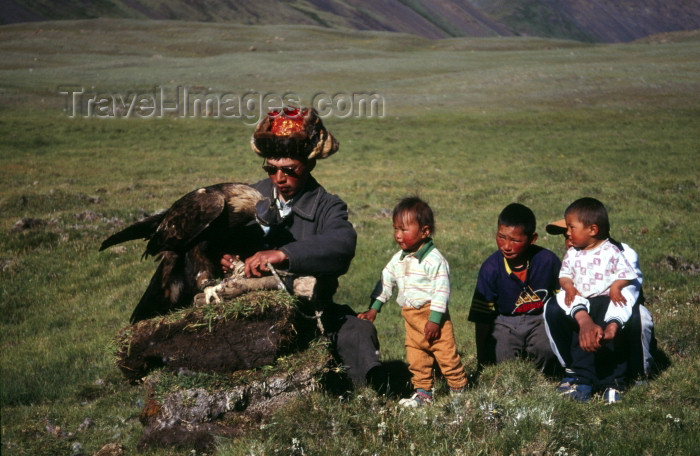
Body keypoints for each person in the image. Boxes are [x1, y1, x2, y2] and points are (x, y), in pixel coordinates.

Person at [220, 107, 381, 387]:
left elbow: (342, 243)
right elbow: (221, 238)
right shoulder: (249, 196)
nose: (279, 179)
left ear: (308, 165)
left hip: (310, 312)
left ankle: (367, 393)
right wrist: (223, 258)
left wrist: (285, 254)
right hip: (248, 310)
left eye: (289, 170)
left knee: (357, 332)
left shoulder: (328, 205)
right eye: (271, 169)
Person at [358, 197, 467, 406]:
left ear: (425, 231)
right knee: (417, 358)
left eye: (404, 229)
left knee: (446, 356)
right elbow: (385, 280)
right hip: (411, 318)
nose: (398, 235)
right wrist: (374, 309)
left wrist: (435, 320)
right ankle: (423, 393)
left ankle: (458, 390)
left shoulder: (434, 260)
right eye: (395, 229)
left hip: (433, 317)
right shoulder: (399, 259)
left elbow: (441, 291)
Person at [544, 198, 655, 403]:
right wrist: (583, 317)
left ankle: (622, 378)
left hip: (613, 309)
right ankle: (578, 376)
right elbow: (565, 284)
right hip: (583, 306)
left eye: (570, 229)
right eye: (564, 233)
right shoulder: (574, 253)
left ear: (593, 230)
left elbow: (628, 291)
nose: (567, 237)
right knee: (556, 312)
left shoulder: (618, 253)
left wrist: (613, 321)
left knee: (615, 339)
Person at [468, 203, 561, 375]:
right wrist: (482, 359)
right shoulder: (490, 268)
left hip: (540, 319)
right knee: (501, 358)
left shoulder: (548, 261)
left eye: (515, 240)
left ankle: (545, 376)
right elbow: (482, 318)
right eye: (501, 237)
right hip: (505, 322)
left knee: (548, 350)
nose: (506, 246)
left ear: (532, 239)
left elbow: (563, 304)